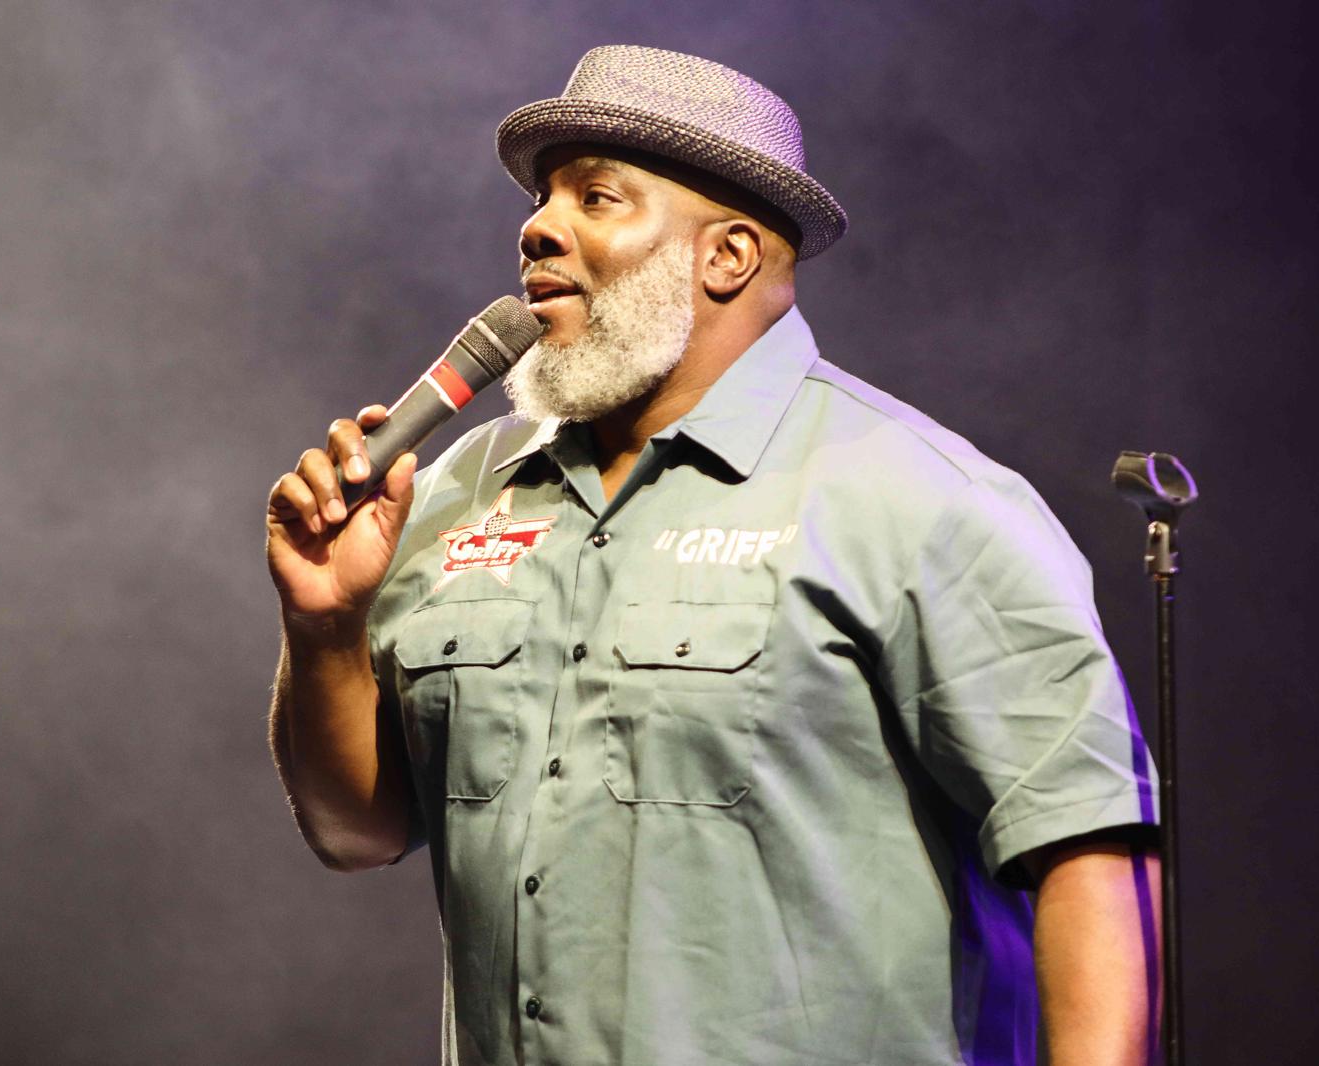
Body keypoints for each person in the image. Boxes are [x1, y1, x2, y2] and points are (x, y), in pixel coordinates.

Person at [267, 45, 1161, 1066]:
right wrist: (324, 626)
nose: (537, 227)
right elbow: (357, 832)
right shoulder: (454, 491)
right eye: (542, 198)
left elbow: (1091, 854)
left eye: (594, 197)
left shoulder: (922, 499)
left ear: (727, 256)